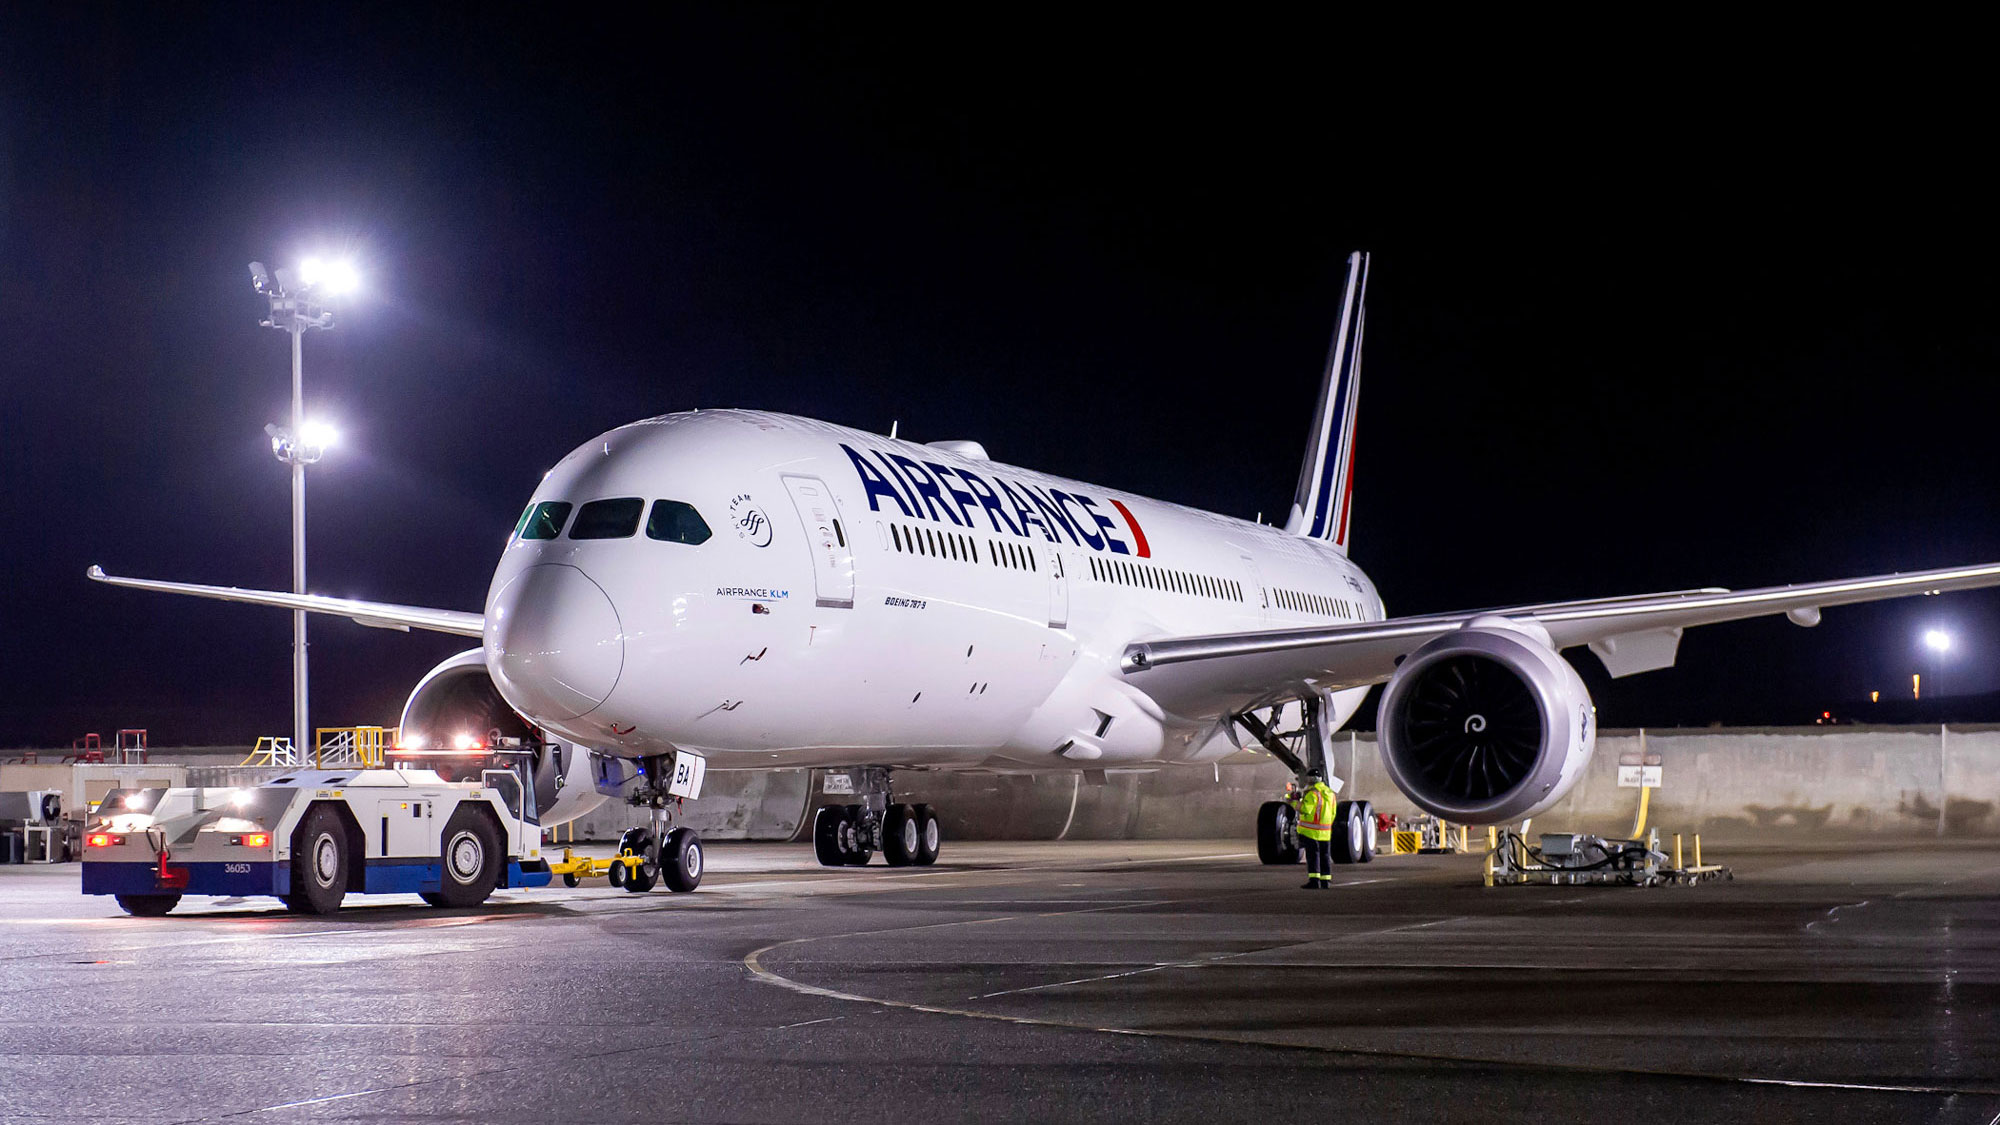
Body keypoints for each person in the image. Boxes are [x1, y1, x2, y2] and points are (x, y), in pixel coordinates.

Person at [1295, 771, 1335, 889]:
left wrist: (1294, 803)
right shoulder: (1330, 793)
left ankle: (1314, 880)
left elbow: (1306, 809)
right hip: (1325, 831)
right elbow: (1333, 813)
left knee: (1313, 856)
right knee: (1325, 856)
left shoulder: (1312, 794)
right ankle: (1325, 881)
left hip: (1312, 832)